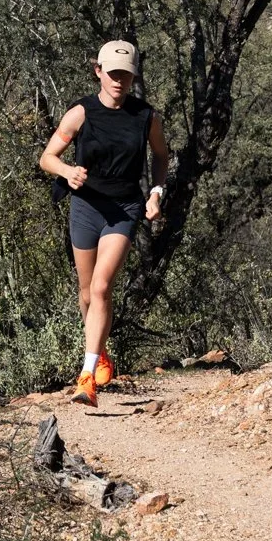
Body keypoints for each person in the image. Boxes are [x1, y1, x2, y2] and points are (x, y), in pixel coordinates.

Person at [39, 40, 170, 407]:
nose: (119, 81)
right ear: (98, 71)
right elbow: (47, 157)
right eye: (113, 73)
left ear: (133, 77)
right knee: (86, 293)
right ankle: (100, 352)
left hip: (124, 209)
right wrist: (68, 171)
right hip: (85, 207)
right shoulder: (81, 113)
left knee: (100, 288)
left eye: (125, 75)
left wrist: (156, 192)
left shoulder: (147, 117)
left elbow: (161, 156)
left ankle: (86, 377)